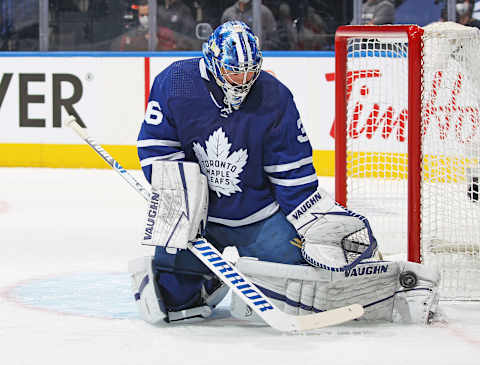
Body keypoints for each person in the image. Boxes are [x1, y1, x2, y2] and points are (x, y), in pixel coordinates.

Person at [129, 20, 440, 326]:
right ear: (212, 62)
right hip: (199, 218)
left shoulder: (274, 95)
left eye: (250, 71)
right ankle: (209, 278)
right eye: (233, 71)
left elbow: (292, 169)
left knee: (303, 285)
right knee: (173, 301)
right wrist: (179, 205)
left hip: (258, 215)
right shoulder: (175, 82)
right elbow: (158, 148)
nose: (242, 80)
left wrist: (312, 217)